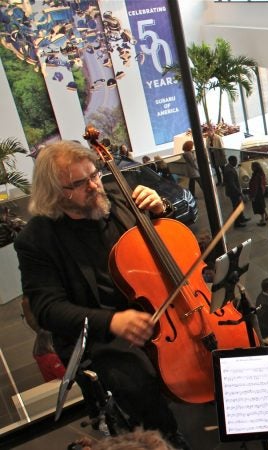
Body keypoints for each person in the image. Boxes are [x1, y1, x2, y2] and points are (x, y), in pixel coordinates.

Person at [14, 141, 190, 449]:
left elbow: (173, 239)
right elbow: (47, 309)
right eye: (80, 183)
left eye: (94, 175)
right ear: (56, 192)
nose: (95, 186)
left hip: (157, 307)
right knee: (134, 376)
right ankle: (165, 438)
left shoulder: (120, 199)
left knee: (213, 335)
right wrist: (112, 321)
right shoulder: (37, 239)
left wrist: (163, 210)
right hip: (101, 331)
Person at [223, 155, 249, 227]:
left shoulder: (229, 168)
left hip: (234, 191)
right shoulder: (229, 171)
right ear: (231, 161)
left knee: (239, 205)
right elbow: (232, 184)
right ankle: (237, 223)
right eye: (235, 161)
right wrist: (239, 192)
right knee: (236, 207)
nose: (236, 162)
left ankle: (241, 218)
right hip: (233, 192)